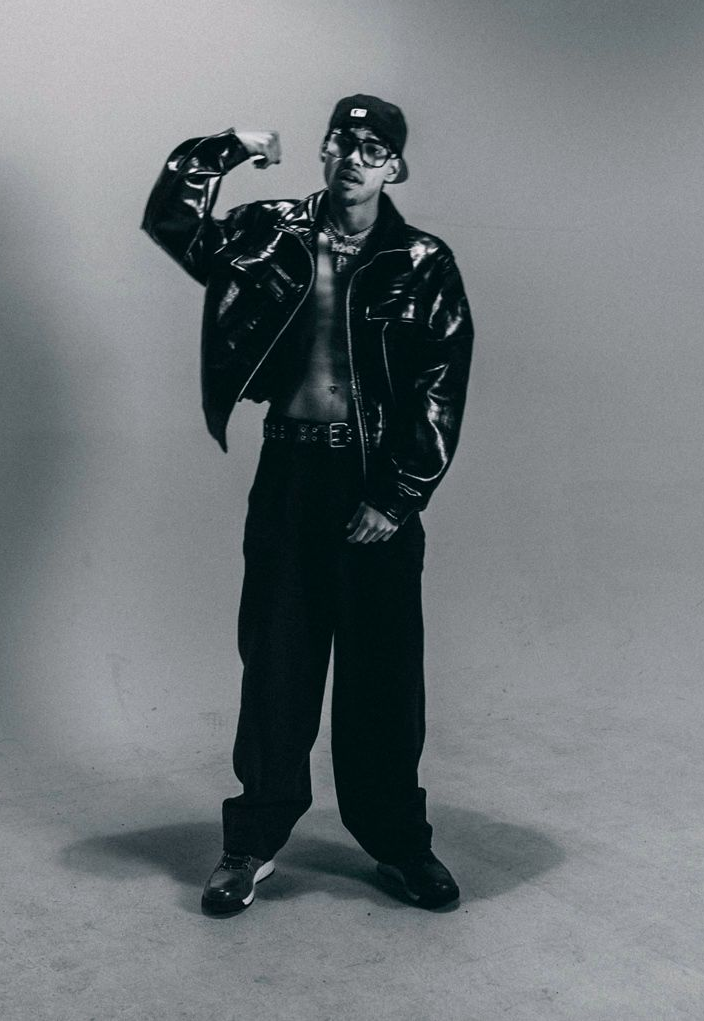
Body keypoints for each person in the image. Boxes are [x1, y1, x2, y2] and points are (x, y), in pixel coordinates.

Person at [142, 94, 474, 915]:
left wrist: (398, 494)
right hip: (291, 472)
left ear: (395, 167)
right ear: (323, 150)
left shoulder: (422, 261)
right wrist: (223, 147)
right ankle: (251, 841)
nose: (352, 158)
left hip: (373, 482)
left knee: (383, 676)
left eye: (372, 149)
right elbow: (174, 223)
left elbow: (441, 383)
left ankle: (398, 841)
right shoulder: (270, 233)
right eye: (341, 142)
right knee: (277, 665)